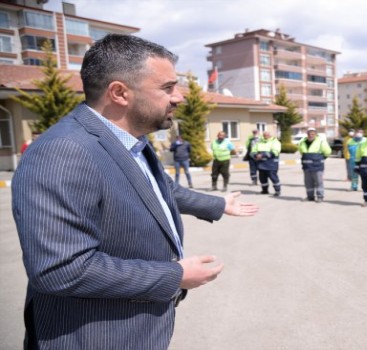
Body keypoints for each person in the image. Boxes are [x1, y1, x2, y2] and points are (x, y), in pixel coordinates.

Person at [11, 34, 258, 349]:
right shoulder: (64, 151)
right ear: (119, 93)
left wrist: (217, 203)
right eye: (167, 87)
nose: (179, 97)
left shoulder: (129, 140)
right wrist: (174, 276)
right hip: (94, 338)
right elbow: (61, 268)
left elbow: (156, 188)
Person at [298, 127, 331, 202]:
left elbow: (328, 151)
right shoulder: (303, 142)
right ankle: (310, 197)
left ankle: (320, 196)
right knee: (308, 182)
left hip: (317, 166)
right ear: (307, 134)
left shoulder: (321, 141)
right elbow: (300, 151)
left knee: (319, 182)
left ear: (316, 134)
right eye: (309, 133)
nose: (311, 135)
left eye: (313, 133)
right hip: (306, 166)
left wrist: (321, 158)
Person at [251, 130, 282, 196]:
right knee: (262, 178)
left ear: (270, 135)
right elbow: (253, 151)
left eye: (267, 135)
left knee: (273, 178)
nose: (266, 136)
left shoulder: (275, 142)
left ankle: (277, 191)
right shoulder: (259, 142)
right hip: (261, 164)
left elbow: (275, 152)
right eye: (264, 135)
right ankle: (264, 190)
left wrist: (262, 155)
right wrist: (256, 155)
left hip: (271, 164)